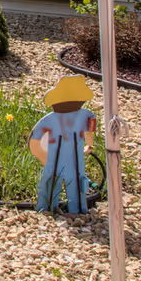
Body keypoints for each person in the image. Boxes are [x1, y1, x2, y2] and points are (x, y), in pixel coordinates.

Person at [30, 75, 99, 214]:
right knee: (75, 183)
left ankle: (47, 208)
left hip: (55, 159)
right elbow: (89, 134)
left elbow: (33, 140)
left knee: (51, 183)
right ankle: (77, 210)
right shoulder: (87, 115)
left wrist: (43, 157)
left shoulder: (49, 119)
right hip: (75, 159)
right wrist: (89, 147)